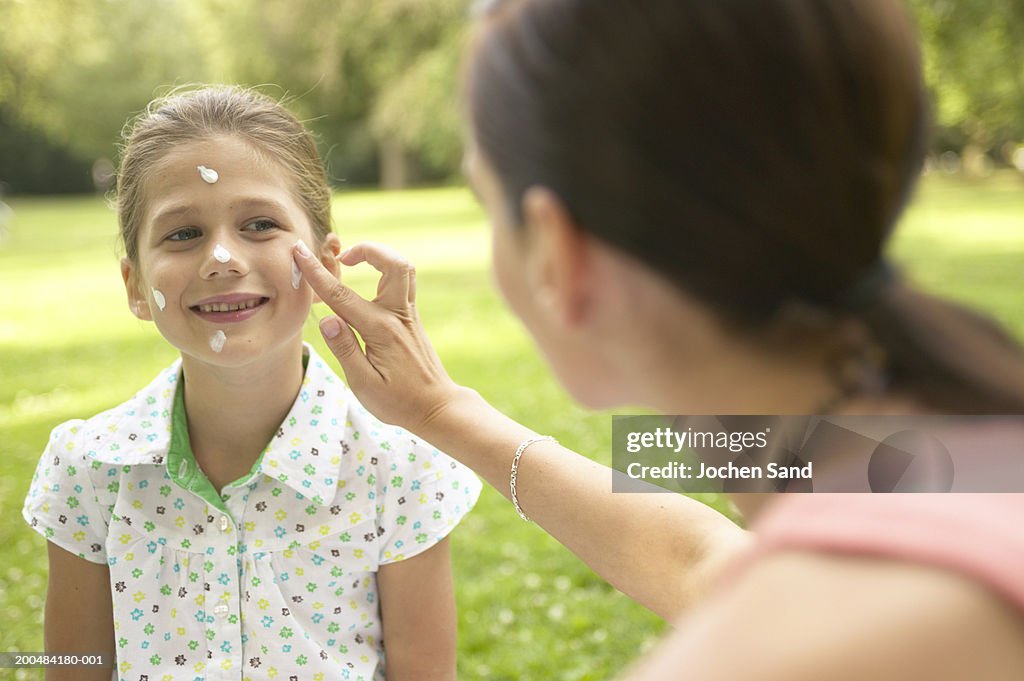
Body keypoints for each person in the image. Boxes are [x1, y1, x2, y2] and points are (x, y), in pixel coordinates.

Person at [291, 0, 1024, 678]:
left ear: (554, 252)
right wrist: (442, 412)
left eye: (489, 202)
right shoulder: (957, 443)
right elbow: (701, 558)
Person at [22, 86, 481, 681]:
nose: (222, 257)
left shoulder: (398, 466)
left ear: (327, 263)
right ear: (136, 286)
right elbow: (71, 667)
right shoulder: (86, 469)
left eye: (260, 224)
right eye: (182, 234)